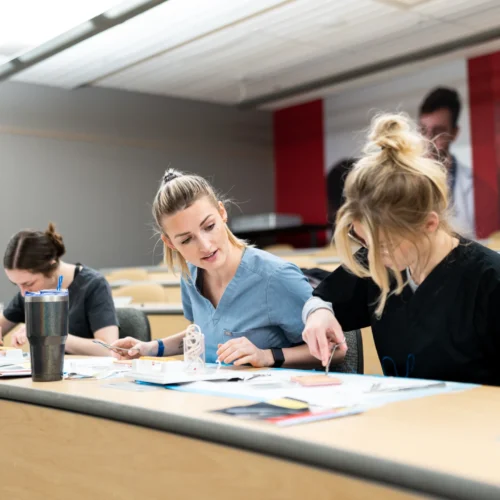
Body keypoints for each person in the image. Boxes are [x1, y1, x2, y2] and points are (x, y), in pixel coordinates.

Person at [302, 113, 500, 385]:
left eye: (384, 244)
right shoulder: (383, 262)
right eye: (364, 242)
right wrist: (318, 314)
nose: (372, 257)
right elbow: (322, 297)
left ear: (429, 224)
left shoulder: (489, 282)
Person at [111, 169, 332, 368]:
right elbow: (203, 334)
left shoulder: (275, 277)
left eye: (209, 227)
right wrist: (150, 348)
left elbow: (335, 350)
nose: (205, 246)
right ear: (170, 243)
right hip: (213, 395)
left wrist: (267, 356)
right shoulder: (190, 274)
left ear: (222, 213)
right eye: (186, 240)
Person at [0, 223, 118, 355]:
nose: (23, 293)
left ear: (51, 266)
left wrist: (50, 334)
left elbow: (109, 349)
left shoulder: (93, 285)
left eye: (29, 283)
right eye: (17, 285)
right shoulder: (30, 293)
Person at [418, 87, 475, 237]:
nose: (428, 141)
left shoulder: (473, 187)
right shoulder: (405, 181)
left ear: (454, 133)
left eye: (437, 132)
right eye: (423, 131)